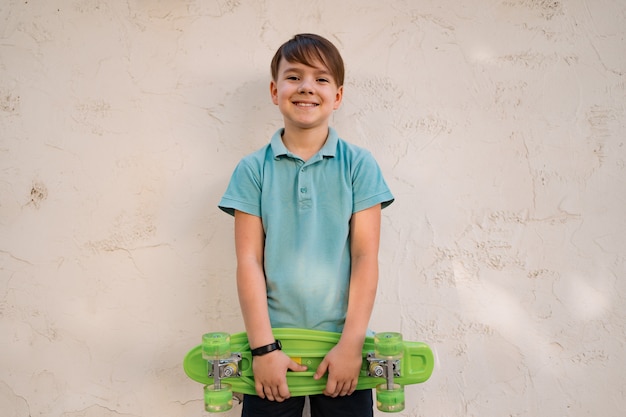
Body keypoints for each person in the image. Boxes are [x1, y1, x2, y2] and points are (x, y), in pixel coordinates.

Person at [218, 33, 394, 417]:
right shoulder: (252, 169)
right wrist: (263, 349)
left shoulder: (359, 165)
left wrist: (351, 344)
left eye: (321, 78)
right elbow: (248, 262)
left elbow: (365, 256)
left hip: (342, 350)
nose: (306, 88)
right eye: (294, 76)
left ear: (338, 95)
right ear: (274, 89)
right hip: (273, 351)